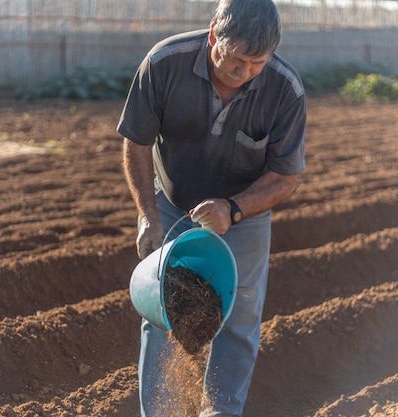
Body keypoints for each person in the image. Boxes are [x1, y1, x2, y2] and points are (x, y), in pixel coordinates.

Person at [117, 0, 306, 415]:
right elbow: (137, 143)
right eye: (235, 60)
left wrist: (233, 209)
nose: (243, 73)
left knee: (238, 321)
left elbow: (284, 177)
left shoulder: (284, 89)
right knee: (160, 307)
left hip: (245, 214)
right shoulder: (165, 64)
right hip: (171, 204)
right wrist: (148, 217)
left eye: (256, 63)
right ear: (212, 36)